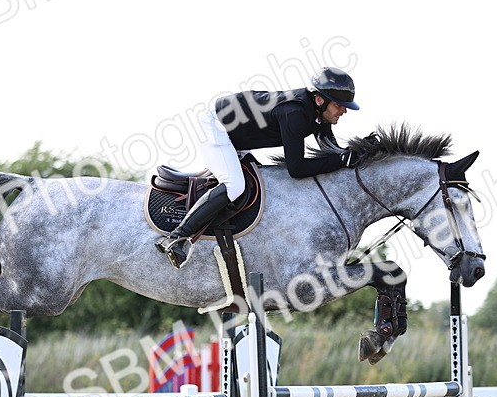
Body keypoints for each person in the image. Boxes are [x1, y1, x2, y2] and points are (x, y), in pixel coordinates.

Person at [155, 67, 362, 268]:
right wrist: (341, 160)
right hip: (216, 126)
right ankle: (176, 237)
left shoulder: (318, 114)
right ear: (319, 100)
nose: (344, 110)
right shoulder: (295, 113)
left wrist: (358, 153)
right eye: (339, 105)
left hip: (237, 136)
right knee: (235, 186)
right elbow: (296, 169)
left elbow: (333, 151)